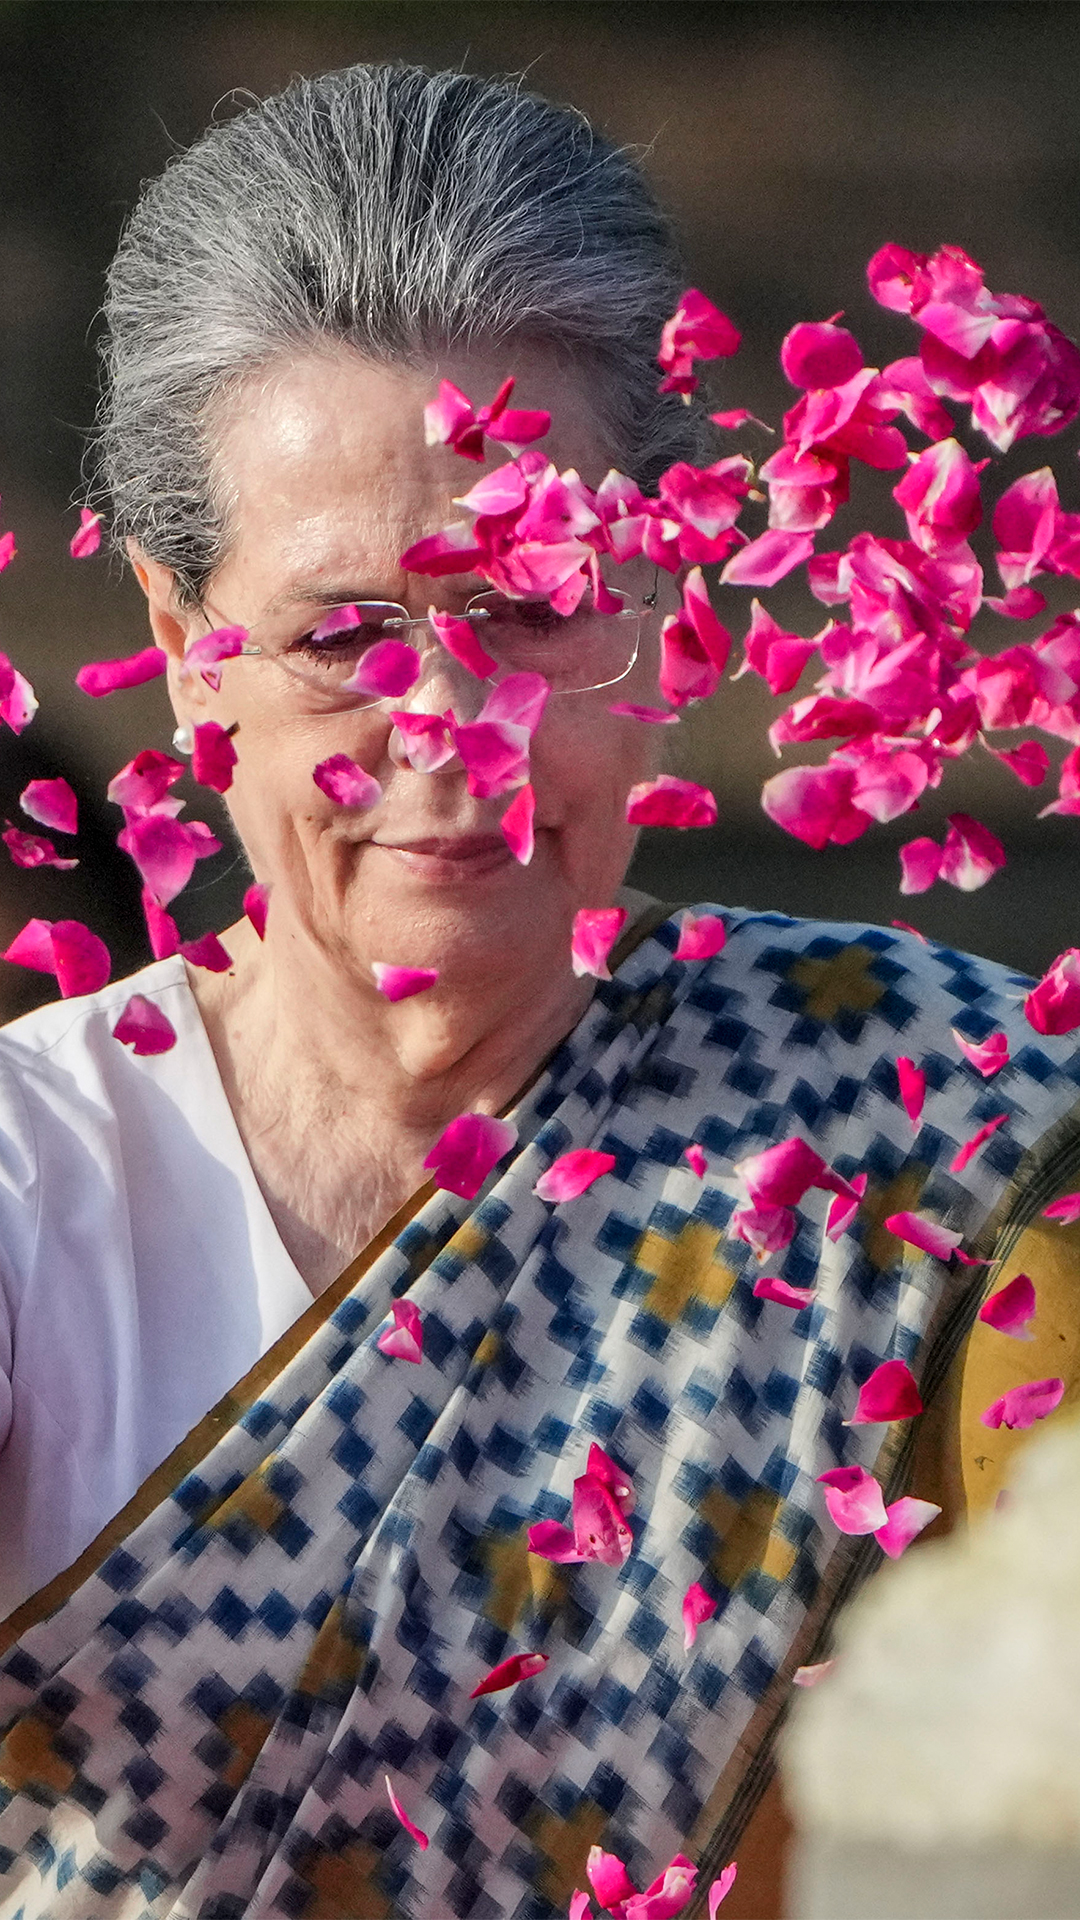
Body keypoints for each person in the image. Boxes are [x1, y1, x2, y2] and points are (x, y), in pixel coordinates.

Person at [0, 60, 1077, 1920]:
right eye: (344, 636)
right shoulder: (42, 1190)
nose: (450, 728)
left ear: (652, 590)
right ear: (188, 655)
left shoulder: (936, 1128)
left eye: (530, 601)